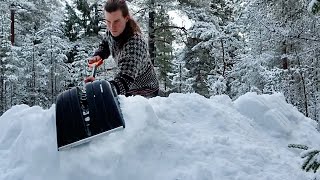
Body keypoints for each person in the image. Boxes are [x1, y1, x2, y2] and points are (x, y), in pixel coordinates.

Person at [85, 0, 159, 98]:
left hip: (146, 90)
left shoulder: (135, 43)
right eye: (108, 21)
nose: (112, 27)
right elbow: (106, 44)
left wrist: (98, 88)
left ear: (126, 18)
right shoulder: (112, 30)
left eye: (116, 21)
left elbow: (124, 80)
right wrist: (99, 55)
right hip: (128, 88)